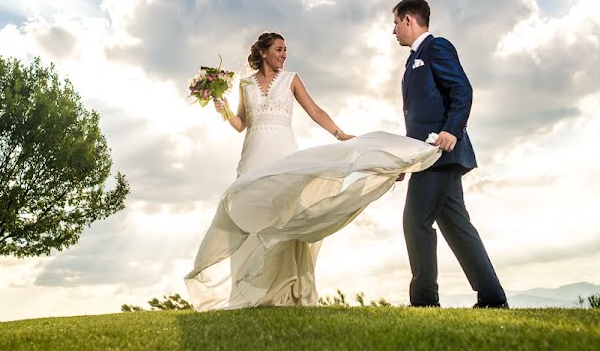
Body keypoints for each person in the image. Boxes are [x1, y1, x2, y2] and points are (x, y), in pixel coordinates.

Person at [185, 32, 442, 311]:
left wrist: (341, 134)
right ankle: (248, 293)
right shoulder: (245, 85)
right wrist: (220, 107)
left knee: (285, 221)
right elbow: (240, 124)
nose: (284, 54)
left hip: (284, 156)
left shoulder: (291, 79)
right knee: (248, 217)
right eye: (279, 49)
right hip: (253, 157)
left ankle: (287, 292)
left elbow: (315, 110)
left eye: (286, 50)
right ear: (263, 53)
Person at [393, 0, 508, 308]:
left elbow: (462, 89)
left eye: (395, 24)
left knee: (415, 222)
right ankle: (493, 298)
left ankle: (424, 301)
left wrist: (451, 130)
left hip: (440, 154)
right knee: (457, 228)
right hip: (427, 157)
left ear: (408, 20)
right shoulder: (411, 61)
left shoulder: (437, 47)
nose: (394, 32)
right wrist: (407, 159)